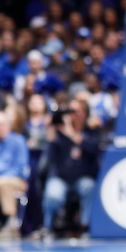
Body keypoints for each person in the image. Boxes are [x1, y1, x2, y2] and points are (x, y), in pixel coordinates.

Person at [39, 100, 100, 237]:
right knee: (53, 193)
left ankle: (85, 225)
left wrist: (71, 133)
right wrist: (51, 134)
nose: (73, 115)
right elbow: (50, 159)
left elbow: (93, 150)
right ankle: (48, 227)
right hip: (61, 177)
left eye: (76, 111)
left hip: (82, 177)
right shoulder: (59, 132)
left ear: (85, 113)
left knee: (89, 187)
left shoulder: (92, 132)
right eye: (70, 111)